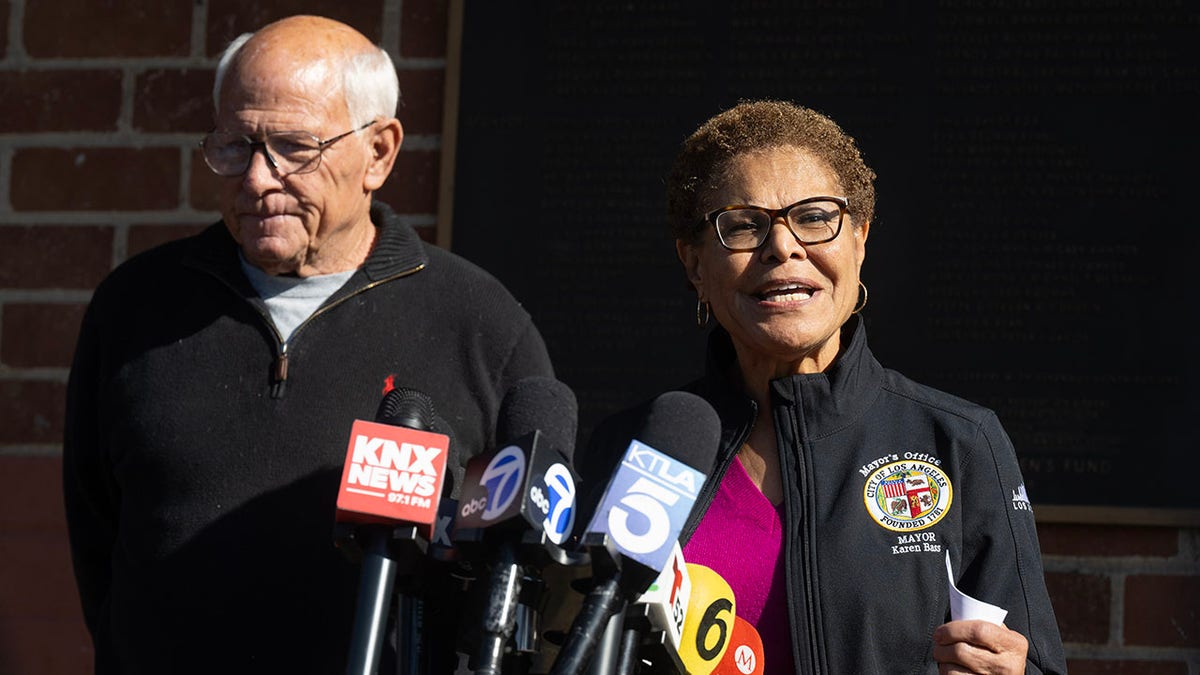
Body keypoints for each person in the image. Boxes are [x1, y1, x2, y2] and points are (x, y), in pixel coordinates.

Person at [62, 15, 553, 674]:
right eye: (234, 145)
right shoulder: (137, 309)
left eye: (294, 147)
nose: (258, 179)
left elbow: (515, 584)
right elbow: (98, 541)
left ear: (378, 152)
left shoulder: (480, 324)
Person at [580, 100, 1067, 674]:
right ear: (694, 264)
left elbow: (1038, 664)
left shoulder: (960, 441)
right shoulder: (634, 449)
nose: (782, 246)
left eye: (814, 217)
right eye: (742, 224)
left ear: (859, 240)